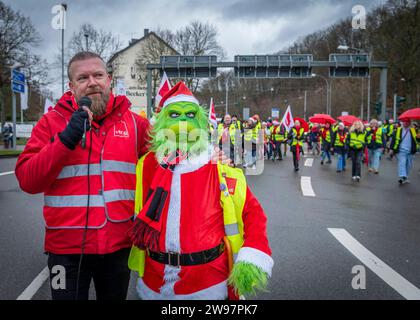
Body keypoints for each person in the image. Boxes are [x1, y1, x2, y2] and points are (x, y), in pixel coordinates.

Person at [15, 51, 151, 300]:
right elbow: (28, 179)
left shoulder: (135, 125)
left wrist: (213, 158)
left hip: (118, 247)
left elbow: (168, 164)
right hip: (64, 250)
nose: (92, 82)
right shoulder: (50, 122)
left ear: (109, 79)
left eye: (98, 75)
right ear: (71, 86)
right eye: (83, 77)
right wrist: (66, 139)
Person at [127, 82, 273, 299]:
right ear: (162, 122)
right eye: (175, 114)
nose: (183, 121)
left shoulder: (218, 165)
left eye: (190, 115)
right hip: (153, 281)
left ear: (201, 122)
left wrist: (253, 252)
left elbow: (252, 212)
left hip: (207, 283)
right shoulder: (147, 164)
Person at [390, 119, 419, 184]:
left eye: (407, 122)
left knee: (409, 165)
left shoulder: (414, 130)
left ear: (410, 123)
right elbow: (394, 139)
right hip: (401, 150)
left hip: (411, 150)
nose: (405, 123)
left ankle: (405, 177)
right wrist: (391, 149)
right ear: (402, 122)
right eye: (404, 121)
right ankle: (402, 177)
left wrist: (418, 137)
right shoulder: (398, 130)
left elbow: (417, 140)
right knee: (402, 163)